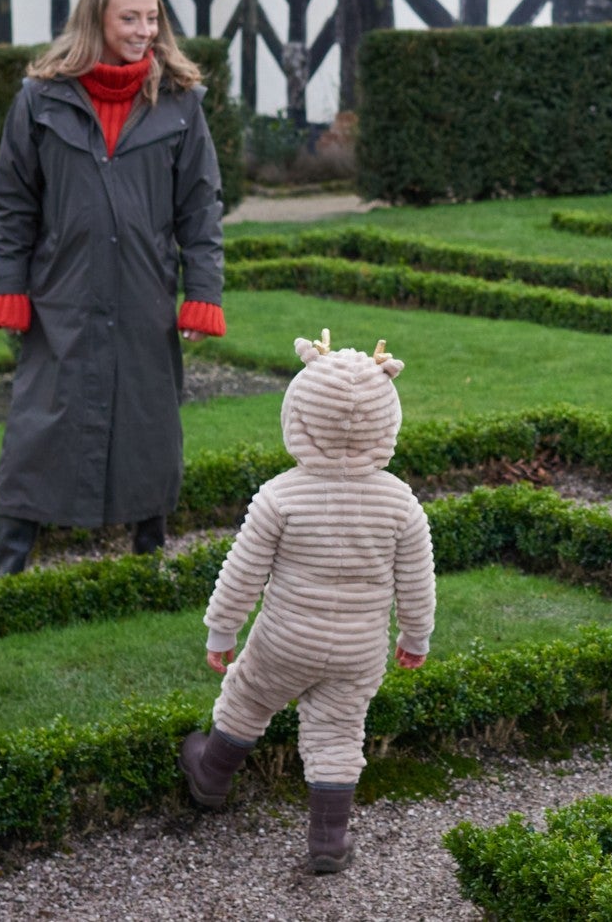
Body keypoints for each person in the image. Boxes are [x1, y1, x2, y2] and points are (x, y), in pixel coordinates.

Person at [0, 0, 226, 576]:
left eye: (152, 18)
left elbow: (200, 210)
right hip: (60, 291)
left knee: (148, 422)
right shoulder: (40, 100)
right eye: (129, 18)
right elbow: (12, 207)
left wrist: (203, 295)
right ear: (96, 19)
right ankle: (9, 563)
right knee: (40, 425)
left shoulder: (180, 104)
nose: (144, 30)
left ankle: (149, 555)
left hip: (145, 291)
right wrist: (7, 291)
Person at [179, 334, 436, 876]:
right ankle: (328, 839)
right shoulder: (400, 503)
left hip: (284, 641)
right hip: (357, 648)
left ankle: (210, 775)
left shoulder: (281, 496)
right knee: (339, 732)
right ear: (386, 419)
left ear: (298, 415)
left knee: (247, 697)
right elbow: (416, 581)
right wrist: (415, 638)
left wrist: (222, 631)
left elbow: (243, 572)